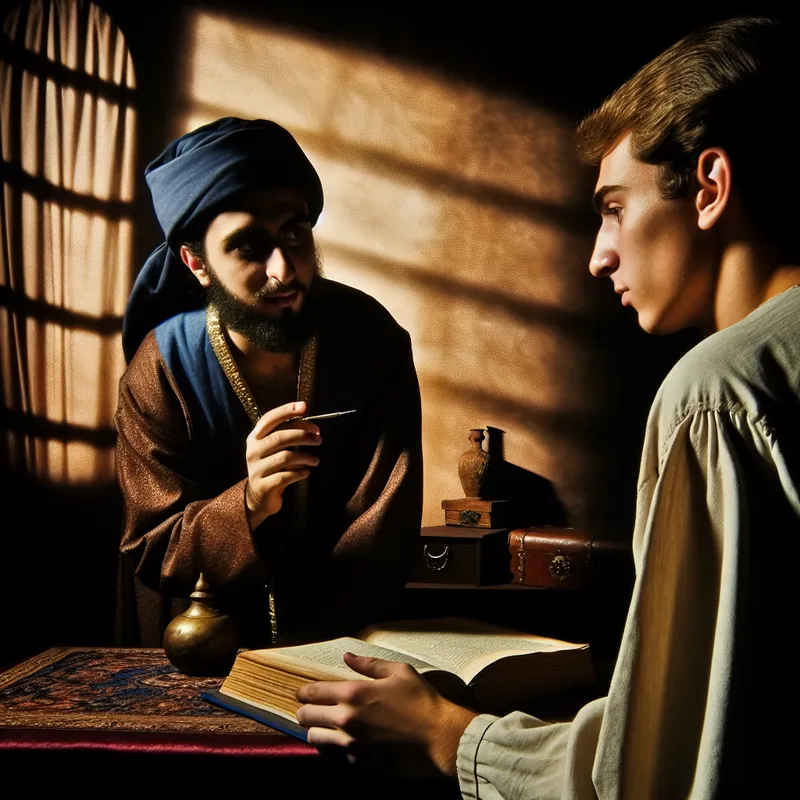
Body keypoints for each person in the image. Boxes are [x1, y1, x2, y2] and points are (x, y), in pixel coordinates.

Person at [295, 16, 796, 797]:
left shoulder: (716, 395)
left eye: (614, 208)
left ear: (709, 187)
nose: (598, 256)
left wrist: (445, 733)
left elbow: (664, 769)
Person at [114, 117, 423, 650]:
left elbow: (383, 529)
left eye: (294, 233)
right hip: (200, 640)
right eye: (249, 246)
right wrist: (251, 500)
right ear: (197, 263)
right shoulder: (161, 366)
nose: (283, 269)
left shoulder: (372, 339)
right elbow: (150, 547)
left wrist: (318, 646)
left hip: (345, 639)